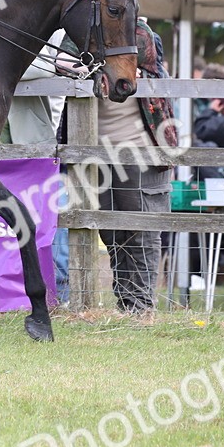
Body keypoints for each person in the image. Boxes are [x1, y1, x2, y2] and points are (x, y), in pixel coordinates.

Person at [53, 20, 179, 313]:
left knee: (142, 232)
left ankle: (141, 307)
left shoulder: (141, 32)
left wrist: (92, 68)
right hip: (96, 153)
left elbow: (137, 65)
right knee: (111, 235)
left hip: (142, 151)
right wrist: (92, 70)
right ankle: (125, 303)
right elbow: (62, 63)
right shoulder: (81, 31)